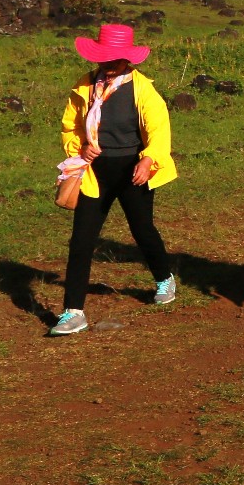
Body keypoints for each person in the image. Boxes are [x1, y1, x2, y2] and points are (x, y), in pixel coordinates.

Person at [50, 24, 179, 337]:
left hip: (134, 171)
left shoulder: (142, 89)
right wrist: (80, 147)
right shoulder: (84, 86)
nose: (107, 67)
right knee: (81, 240)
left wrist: (149, 160)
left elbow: (159, 130)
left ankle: (164, 278)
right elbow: (70, 127)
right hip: (94, 173)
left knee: (142, 229)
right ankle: (73, 311)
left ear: (127, 61)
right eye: (103, 60)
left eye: (114, 61)